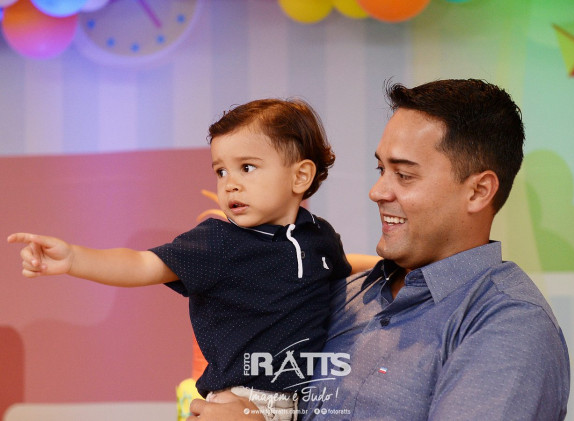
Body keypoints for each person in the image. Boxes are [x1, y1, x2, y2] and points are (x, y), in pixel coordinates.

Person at [186, 79, 571, 420]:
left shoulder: (509, 325)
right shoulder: (345, 293)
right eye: (380, 170)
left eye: (403, 174)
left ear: (478, 191)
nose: (377, 191)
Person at [7, 98, 379, 421]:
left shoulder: (318, 237)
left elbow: (339, 268)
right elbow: (141, 264)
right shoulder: (219, 242)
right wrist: (74, 259)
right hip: (241, 399)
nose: (230, 182)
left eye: (247, 167)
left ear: (300, 176)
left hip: (307, 400)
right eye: (221, 171)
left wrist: (389, 265)